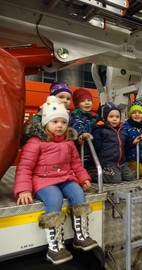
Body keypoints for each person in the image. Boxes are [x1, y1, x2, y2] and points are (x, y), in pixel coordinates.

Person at [14, 96, 98, 265]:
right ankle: (55, 247)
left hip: (65, 177)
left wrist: (83, 178)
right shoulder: (35, 142)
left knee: (78, 194)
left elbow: (76, 163)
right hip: (43, 180)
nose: (59, 125)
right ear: (46, 123)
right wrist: (23, 189)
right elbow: (24, 167)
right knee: (54, 199)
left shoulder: (68, 142)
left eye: (63, 122)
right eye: (55, 122)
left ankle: (80, 236)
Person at [92, 102, 135, 183]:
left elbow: (126, 145)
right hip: (108, 162)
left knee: (130, 176)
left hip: (121, 162)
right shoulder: (102, 130)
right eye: (111, 116)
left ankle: (117, 172)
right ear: (105, 118)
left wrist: (133, 142)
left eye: (117, 117)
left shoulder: (123, 131)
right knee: (116, 179)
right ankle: (94, 173)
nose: (115, 119)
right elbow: (96, 146)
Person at [70, 87, 100, 168]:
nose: (87, 103)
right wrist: (82, 133)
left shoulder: (94, 116)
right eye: (82, 101)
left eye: (89, 100)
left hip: (92, 145)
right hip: (81, 145)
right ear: (77, 104)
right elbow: (76, 124)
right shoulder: (75, 114)